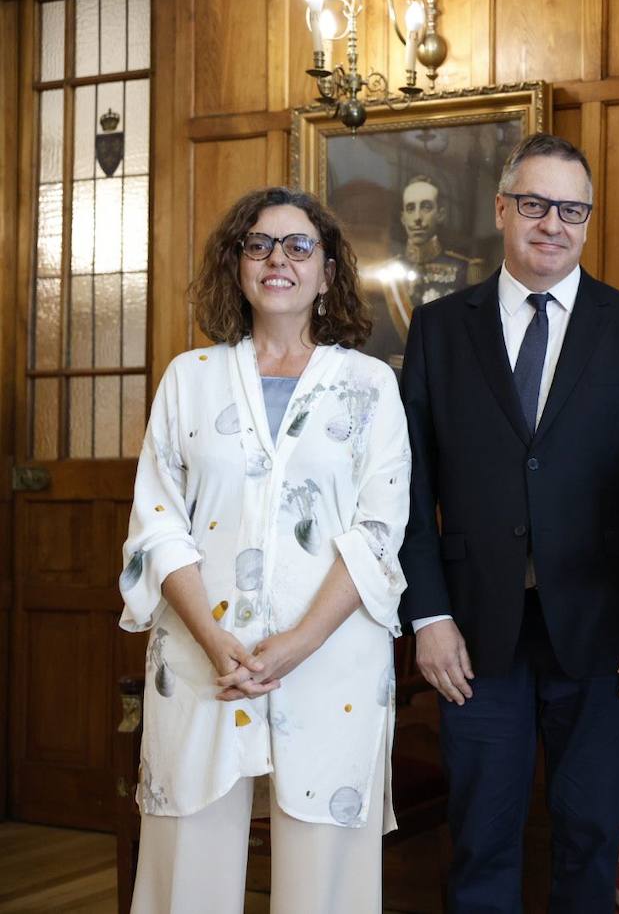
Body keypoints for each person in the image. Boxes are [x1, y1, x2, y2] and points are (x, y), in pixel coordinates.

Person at [398, 133, 619, 912]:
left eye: (572, 209)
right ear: (502, 210)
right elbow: (406, 486)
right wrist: (427, 614)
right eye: (534, 204)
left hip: (603, 634)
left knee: (592, 837)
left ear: (589, 220)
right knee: (482, 842)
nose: (551, 224)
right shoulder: (439, 329)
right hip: (472, 634)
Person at [119, 186, 411, 914]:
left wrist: (295, 644)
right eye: (258, 244)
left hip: (330, 655)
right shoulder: (189, 379)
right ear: (237, 265)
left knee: (326, 880)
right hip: (200, 656)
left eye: (298, 246)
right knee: (185, 859)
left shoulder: (370, 386)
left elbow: (379, 532)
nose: (277, 259)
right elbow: (156, 523)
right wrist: (218, 642)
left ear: (329, 271)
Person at [372, 175, 484, 369]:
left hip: (445, 379)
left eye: (425, 207)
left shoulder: (464, 270)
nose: (417, 218)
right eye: (410, 208)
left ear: (440, 214)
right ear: (403, 218)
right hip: (395, 382)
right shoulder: (384, 275)